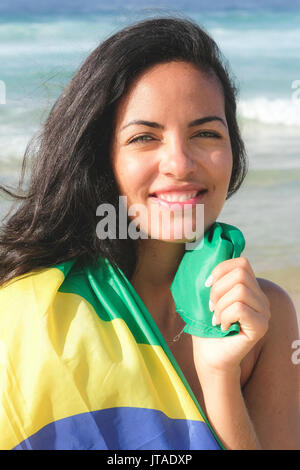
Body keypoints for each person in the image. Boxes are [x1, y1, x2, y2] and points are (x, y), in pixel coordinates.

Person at [0, 16, 299, 450]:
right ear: (103, 159)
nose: (179, 163)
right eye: (144, 137)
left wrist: (219, 376)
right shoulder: (27, 314)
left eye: (206, 133)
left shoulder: (265, 316)